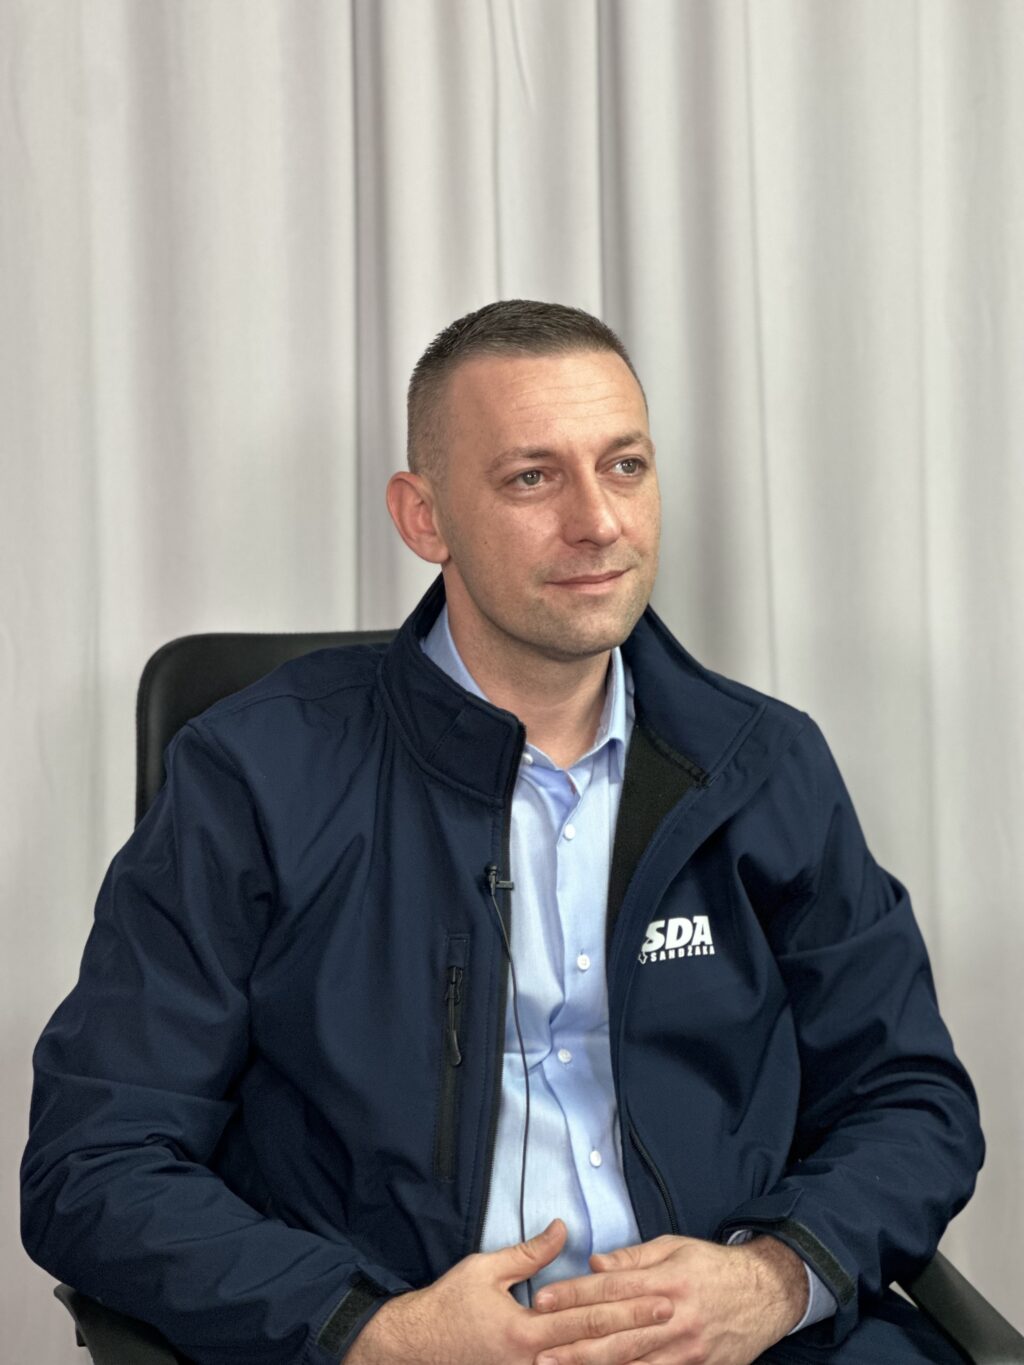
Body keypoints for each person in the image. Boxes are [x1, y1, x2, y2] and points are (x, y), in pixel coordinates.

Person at [22, 300, 983, 1365]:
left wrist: (775, 1277)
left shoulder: (762, 764)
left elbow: (910, 1101)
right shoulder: (255, 773)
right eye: (533, 477)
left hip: (738, 1345)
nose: (598, 521)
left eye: (624, 466)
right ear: (423, 517)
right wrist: (371, 1330)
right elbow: (95, 1163)